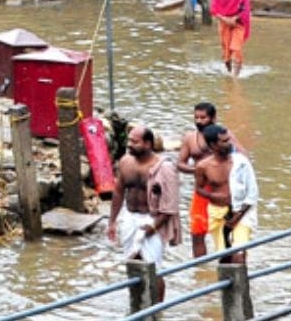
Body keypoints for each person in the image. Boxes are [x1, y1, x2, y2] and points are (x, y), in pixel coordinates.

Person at [109, 126, 181, 298]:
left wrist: (154, 227)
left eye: (135, 142)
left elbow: (170, 205)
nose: (129, 144)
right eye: (129, 140)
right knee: (132, 262)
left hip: (153, 218)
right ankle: (138, 303)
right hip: (130, 217)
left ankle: (157, 308)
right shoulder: (125, 162)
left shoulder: (164, 168)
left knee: (154, 267)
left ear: (148, 144)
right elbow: (118, 191)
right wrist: (112, 221)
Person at [197, 125, 257, 267]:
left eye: (228, 139)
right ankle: (226, 282)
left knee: (239, 255)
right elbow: (198, 188)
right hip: (217, 213)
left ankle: (240, 281)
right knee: (224, 257)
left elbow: (252, 193)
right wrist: (213, 196)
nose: (229, 143)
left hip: (242, 211)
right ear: (213, 145)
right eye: (224, 141)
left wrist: (237, 216)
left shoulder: (241, 162)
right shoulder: (203, 166)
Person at [177, 102, 218, 257]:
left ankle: (227, 265)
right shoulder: (190, 138)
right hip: (200, 190)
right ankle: (201, 268)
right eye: (196, 118)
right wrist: (198, 170)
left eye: (203, 117)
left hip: (222, 189)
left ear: (213, 118)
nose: (199, 121)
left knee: (225, 231)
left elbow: (238, 157)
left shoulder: (223, 136)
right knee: (197, 232)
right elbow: (180, 164)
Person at [210, 0, 252, 76]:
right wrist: (225, 19)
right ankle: (229, 72)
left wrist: (235, 18)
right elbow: (214, 10)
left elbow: (245, 8)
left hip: (238, 22)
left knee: (236, 48)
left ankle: (235, 78)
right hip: (224, 22)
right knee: (226, 52)